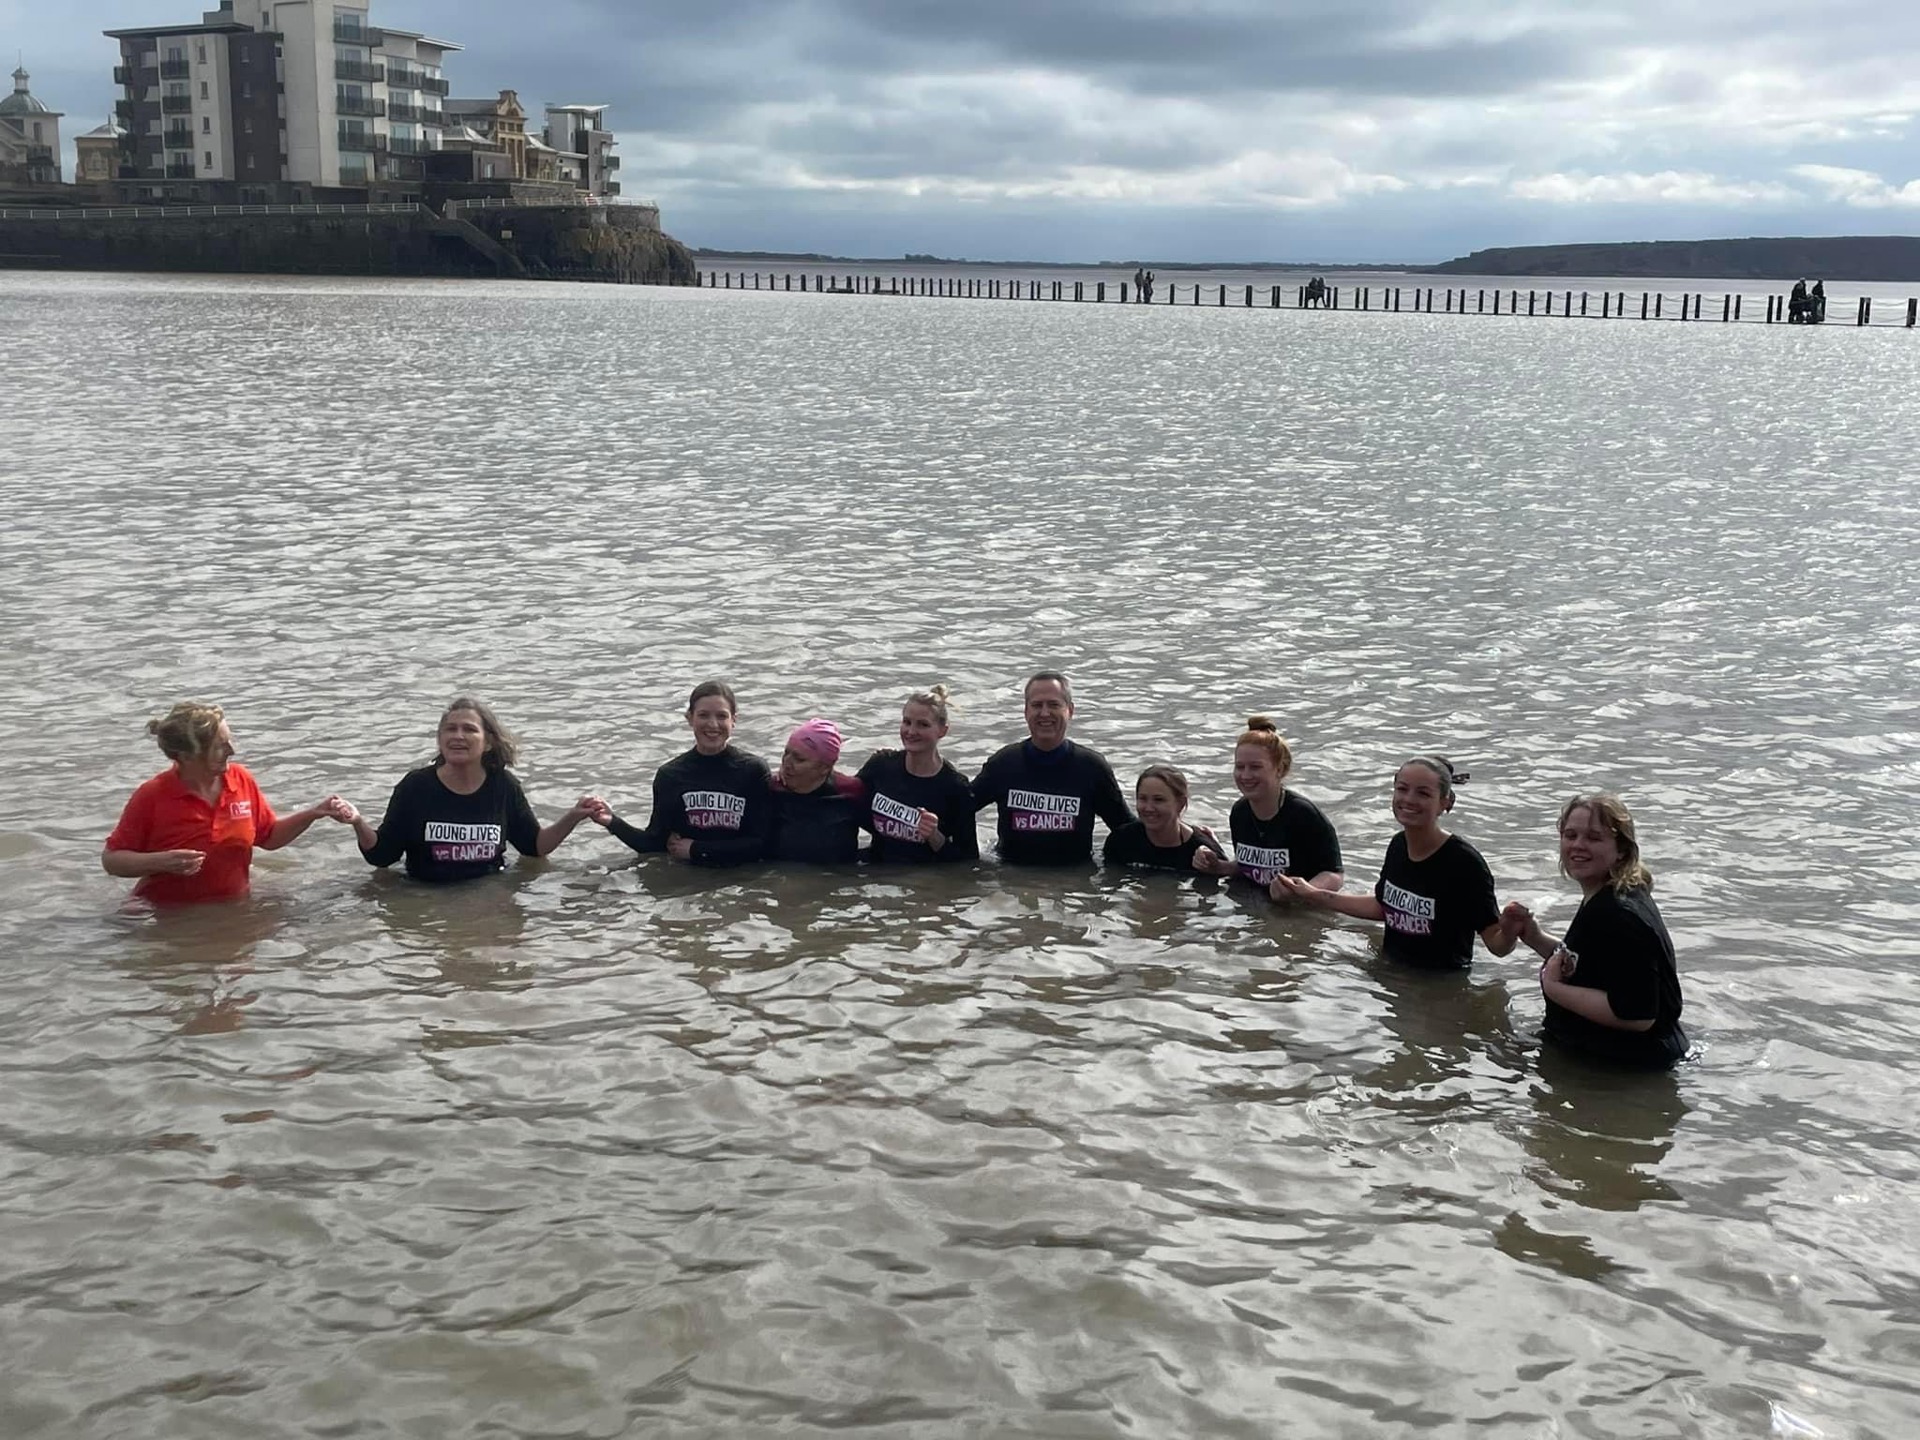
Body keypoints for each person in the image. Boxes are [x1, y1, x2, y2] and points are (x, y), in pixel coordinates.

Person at [1273, 755, 1518, 968]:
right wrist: (1312, 893)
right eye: (1402, 789)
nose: (1409, 799)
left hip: (1438, 986)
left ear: (1446, 803)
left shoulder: (1464, 863)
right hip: (1391, 975)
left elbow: (1496, 944)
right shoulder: (1398, 845)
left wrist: (1510, 930)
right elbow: (1384, 907)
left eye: (1423, 793)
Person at [103, 702, 359, 905]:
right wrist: (159, 862)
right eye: (220, 746)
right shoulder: (153, 795)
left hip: (233, 910)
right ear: (187, 755)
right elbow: (112, 860)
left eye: (230, 740)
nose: (232, 750)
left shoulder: (240, 779)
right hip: (170, 915)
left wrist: (314, 813)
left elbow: (268, 836)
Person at [1503, 794, 1689, 1070]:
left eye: (1593, 837)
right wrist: (1535, 938)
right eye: (1570, 835)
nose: (1578, 845)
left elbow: (1638, 1014)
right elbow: (1594, 967)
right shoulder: (1611, 895)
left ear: (1622, 850)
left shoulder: (1620, 914)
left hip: (1624, 1070)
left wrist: (1553, 988)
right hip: (1610, 1058)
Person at [349, 698, 605, 882]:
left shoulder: (504, 786)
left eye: (469, 729)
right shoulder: (415, 787)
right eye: (450, 729)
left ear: (488, 742)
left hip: (487, 891)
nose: (458, 736)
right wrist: (358, 822)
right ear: (440, 740)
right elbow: (383, 856)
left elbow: (534, 846)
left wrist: (574, 815)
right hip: (427, 893)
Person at [600, 680, 772, 867]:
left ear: (734, 720)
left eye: (722, 716)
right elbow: (653, 843)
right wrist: (611, 822)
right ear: (690, 718)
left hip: (741, 882)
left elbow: (762, 844)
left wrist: (697, 849)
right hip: (692, 879)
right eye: (703, 715)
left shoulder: (753, 770)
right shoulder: (671, 775)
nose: (713, 724)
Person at [970, 671, 1133, 866]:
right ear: (1026, 712)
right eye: (1037, 705)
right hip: (1012, 875)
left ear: (1070, 710)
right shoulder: (1004, 763)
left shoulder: (1092, 767)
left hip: (1073, 879)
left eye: (1054, 705)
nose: (1045, 713)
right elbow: (960, 808)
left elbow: (1125, 828)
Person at [1193, 717, 1343, 894]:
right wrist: (1218, 867)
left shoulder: (1303, 814)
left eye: (1255, 767)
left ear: (1280, 769)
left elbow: (1335, 874)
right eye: (1240, 767)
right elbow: (1251, 867)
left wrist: (1303, 892)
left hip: (1300, 909)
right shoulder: (1240, 812)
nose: (1245, 776)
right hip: (1255, 905)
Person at [857, 686, 979, 863]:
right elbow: (849, 805)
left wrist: (935, 836)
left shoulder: (955, 787)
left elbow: (968, 862)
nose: (911, 732)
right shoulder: (881, 765)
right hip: (877, 877)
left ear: (942, 731)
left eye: (923, 724)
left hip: (923, 880)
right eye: (907, 722)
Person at [766, 718, 870, 864]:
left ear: (824, 768)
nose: (787, 763)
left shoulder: (851, 792)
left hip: (836, 880)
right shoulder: (770, 789)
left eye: (799, 759)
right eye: (786, 753)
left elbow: (885, 839)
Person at [1102, 764, 1223, 872]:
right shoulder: (1120, 841)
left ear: (1180, 804)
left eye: (1158, 800)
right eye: (1143, 798)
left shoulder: (1203, 854)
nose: (1149, 808)